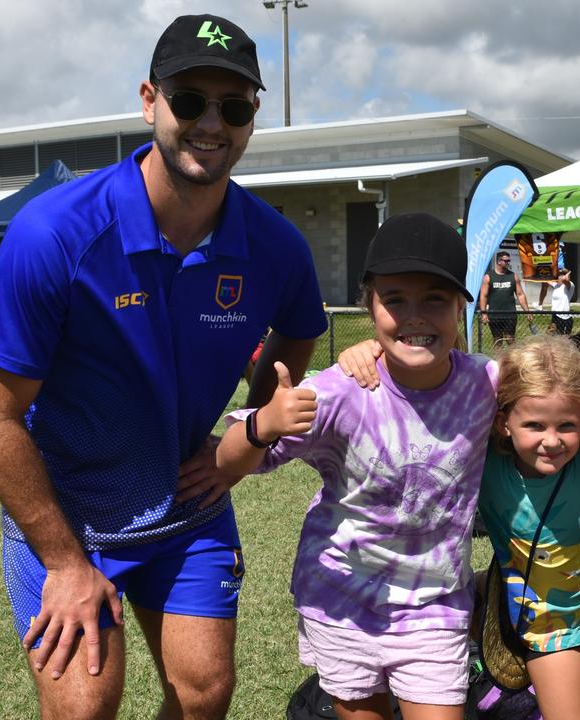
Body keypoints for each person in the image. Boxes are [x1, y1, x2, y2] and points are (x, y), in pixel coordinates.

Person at [0, 14, 325, 720]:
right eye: (189, 100)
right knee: (86, 705)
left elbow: (297, 338)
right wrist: (66, 563)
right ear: (149, 99)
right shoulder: (55, 233)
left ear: (253, 115)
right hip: (69, 517)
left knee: (205, 694)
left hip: (186, 508)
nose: (211, 122)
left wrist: (238, 446)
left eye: (235, 105)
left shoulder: (276, 246)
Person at [217, 213, 495, 720]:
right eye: (395, 300)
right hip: (341, 601)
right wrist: (265, 422)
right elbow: (231, 460)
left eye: (435, 298)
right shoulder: (342, 392)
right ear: (370, 306)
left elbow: (568, 391)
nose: (415, 316)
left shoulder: (489, 385)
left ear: (462, 305)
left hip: (434, 607)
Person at [481, 334, 580, 720]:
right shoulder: (484, 466)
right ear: (503, 423)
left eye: (565, 425)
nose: (551, 441)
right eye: (534, 424)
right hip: (547, 631)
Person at [480, 250, 529, 348]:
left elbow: (520, 294)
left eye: (508, 261)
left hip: (510, 314)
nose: (508, 263)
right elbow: (483, 296)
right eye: (505, 261)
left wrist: (527, 311)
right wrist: (484, 313)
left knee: (510, 340)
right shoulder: (488, 277)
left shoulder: (513, 276)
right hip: (494, 314)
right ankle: (497, 361)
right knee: (497, 340)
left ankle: (512, 361)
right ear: (499, 261)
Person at [546, 268, 575, 335]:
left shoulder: (569, 286)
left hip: (564, 317)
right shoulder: (557, 286)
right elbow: (546, 280)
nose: (557, 278)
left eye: (559, 276)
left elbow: (565, 279)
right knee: (553, 336)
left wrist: (566, 271)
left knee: (563, 338)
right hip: (555, 315)